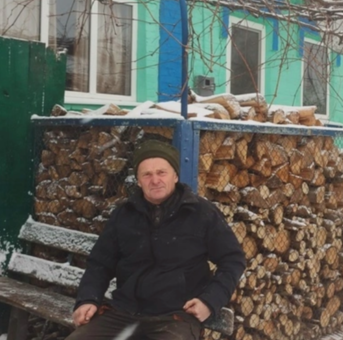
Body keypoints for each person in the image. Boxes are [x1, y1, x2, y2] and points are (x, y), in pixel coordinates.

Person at [66, 138, 246, 340]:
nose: (155, 180)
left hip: (175, 317)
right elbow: (100, 263)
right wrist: (88, 299)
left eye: (162, 172)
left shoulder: (200, 212)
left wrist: (209, 301)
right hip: (124, 313)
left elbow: (233, 260)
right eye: (147, 174)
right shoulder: (124, 214)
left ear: (175, 176)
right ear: (139, 180)